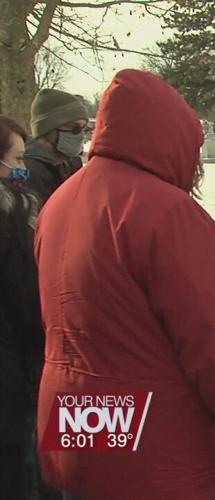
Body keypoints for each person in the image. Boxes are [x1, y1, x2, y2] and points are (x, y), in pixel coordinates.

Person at [34, 69, 215, 500]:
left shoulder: (60, 201)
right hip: (154, 446)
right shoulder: (166, 214)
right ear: (170, 139)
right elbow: (213, 342)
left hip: (75, 419)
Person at [0, 115, 43, 499]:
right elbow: (29, 300)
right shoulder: (12, 215)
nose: (22, 168)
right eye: (16, 158)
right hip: (13, 377)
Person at [24, 89, 90, 204]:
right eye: (74, 127)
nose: (80, 135)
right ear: (48, 129)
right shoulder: (28, 173)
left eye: (84, 128)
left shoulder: (68, 167)